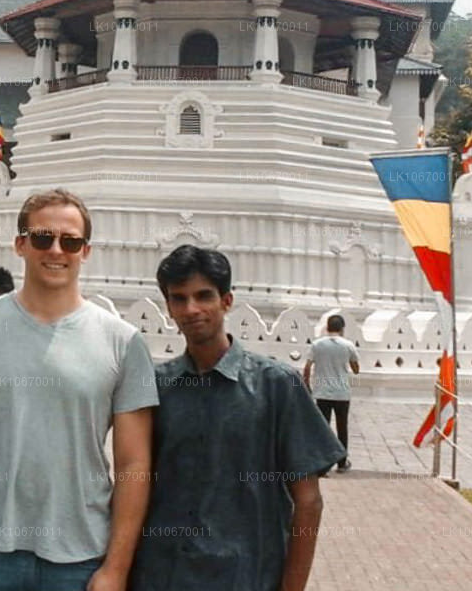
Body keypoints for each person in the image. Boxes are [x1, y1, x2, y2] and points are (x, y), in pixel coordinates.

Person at [0, 189, 158, 590]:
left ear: (86, 251)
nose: (55, 250)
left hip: (79, 557)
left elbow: (134, 465)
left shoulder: (123, 341)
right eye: (42, 238)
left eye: (70, 241)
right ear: (20, 244)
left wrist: (116, 569)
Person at [132, 245, 344, 591]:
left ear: (227, 301)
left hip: (248, 577)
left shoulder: (277, 385)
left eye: (204, 296)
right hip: (164, 575)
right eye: (179, 299)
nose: (192, 309)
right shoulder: (156, 388)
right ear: (168, 308)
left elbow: (309, 501)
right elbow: (135, 486)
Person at [303, 314, 361, 472]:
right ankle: (342, 463)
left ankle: (322, 465)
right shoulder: (348, 345)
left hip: (322, 392)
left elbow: (307, 367)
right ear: (342, 329)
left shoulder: (317, 345)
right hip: (342, 393)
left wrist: (307, 384)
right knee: (342, 427)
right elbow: (356, 369)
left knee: (323, 428)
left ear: (327, 327)